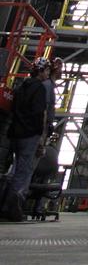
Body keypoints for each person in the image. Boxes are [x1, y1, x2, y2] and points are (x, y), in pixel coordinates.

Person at [2, 58, 51, 221]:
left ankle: (4, 202)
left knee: (13, 169)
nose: (47, 74)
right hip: (29, 135)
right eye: (47, 71)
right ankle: (13, 208)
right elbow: (39, 113)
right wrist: (41, 138)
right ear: (42, 71)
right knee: (24, 171)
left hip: (15, 133)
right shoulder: (40, 88)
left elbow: (14, 109)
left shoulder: (21, 86)